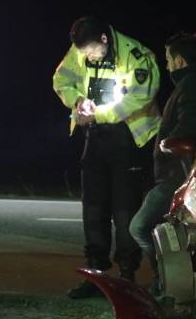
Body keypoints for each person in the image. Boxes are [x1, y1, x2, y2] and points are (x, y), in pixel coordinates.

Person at [53, 16, 161, 298]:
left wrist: (98, 114)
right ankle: (95, 274)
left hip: (129, 139)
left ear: (104, 39)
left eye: (91, 50)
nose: (88, 56)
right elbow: (61, 79)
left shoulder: (136, 55)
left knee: (125, 210)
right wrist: (78, 101)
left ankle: (126, 277)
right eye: (84, 52)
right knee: (93, 208)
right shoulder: (80, 50)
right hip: (95, 137)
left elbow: (140, 97)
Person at [129, 31, 196, 294]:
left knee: (140, 226)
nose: (167, 66)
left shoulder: (192, 86)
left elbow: (188, 127)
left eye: (168, 59)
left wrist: (168, 145)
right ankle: (168, 282)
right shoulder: (191, 83)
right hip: (175, 173)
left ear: (179, 60)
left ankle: (165, 281)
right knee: (165, 231)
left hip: (177, 175)